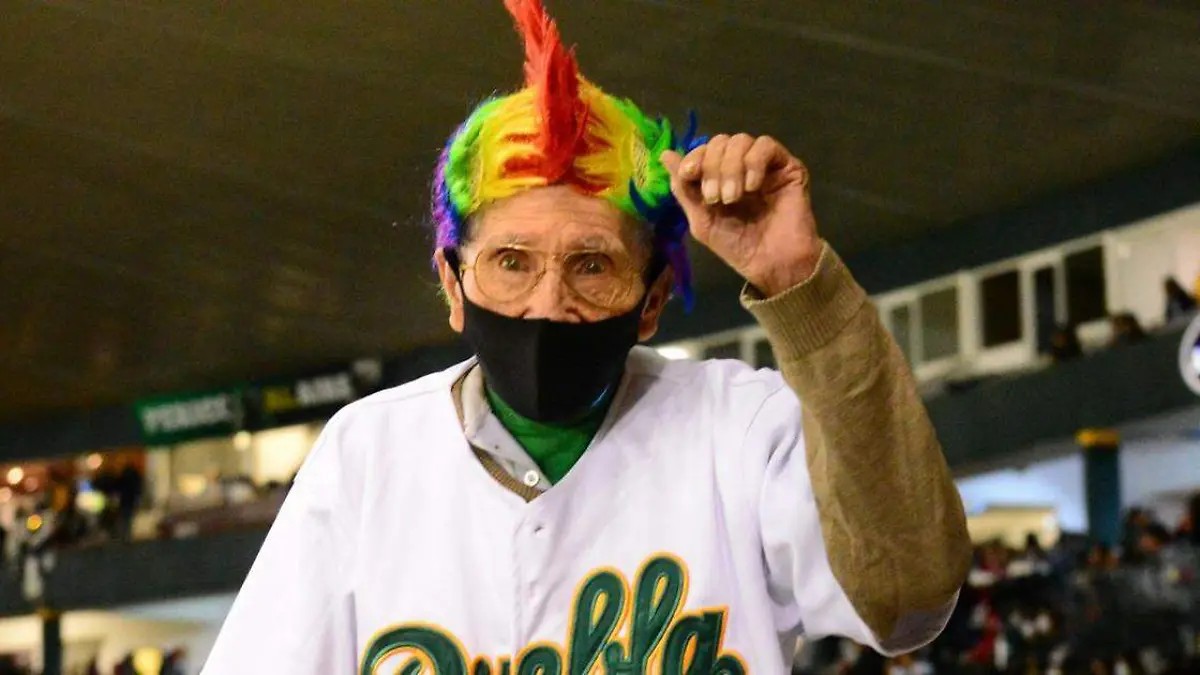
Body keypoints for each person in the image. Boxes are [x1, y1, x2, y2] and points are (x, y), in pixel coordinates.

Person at [201, 1, 970, 672]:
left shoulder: (741, 427)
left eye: (591, 265)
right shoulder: (368, 452)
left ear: (652, 299)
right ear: (452, 283)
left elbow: (908, 598)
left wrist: (802, 283)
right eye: (510, 261)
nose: (547, 303)